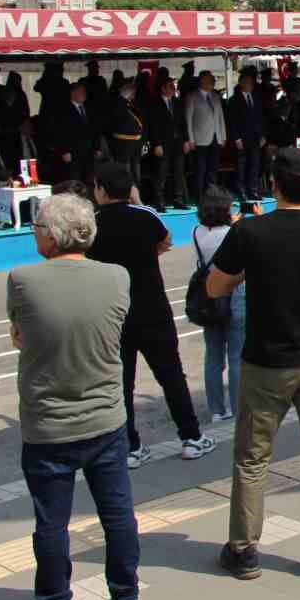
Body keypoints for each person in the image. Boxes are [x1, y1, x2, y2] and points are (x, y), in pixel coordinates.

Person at [208, 149, 300, 584]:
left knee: (253, 458)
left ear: (273, 185)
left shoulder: (251, 232)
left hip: (266, 361)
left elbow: (217, 285)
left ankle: (244, 549)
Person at [8, 194, 141, 600]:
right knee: (118, 513)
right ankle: (124, 597)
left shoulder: (24, 279)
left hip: (49, 422)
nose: (34, 233)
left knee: (51, 521)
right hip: (105, 416)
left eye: (38, 227)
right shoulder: (116, 277)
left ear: (51, 234)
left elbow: (20, 336)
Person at [87, 163, 213, 469]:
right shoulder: (145, 215)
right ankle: (191, 438)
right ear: (129, 189)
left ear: (101, 190)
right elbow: (164, 241)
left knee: (121, 382)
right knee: (171, 375)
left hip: (114, 314)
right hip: (152, 308)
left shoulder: (92, 223)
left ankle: (131, 447)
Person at [193, 186, 245, 424]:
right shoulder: (232, 232)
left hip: (207, 295)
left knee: (213, 356)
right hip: (233, 293)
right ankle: (237, 407)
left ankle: (216, 409)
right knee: (236, 355)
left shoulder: (196, 232)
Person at [145, 76, 188, 212]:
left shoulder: (177, 102)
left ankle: (178, 199)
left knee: (179, 171)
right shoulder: (154, 103)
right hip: (163, 143)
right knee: (161, 172)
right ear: (162, 88)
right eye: (170, 86)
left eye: (174, 86)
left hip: (178, 142)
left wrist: (186, 140)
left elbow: (183, 123)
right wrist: (156, 144)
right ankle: (160, 200)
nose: (173, 89)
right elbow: (153, 125)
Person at [184, 71, 227, 199]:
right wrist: (190, 139)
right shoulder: (192, 96)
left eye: (213, 80)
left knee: (213, 169)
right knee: (200, 169)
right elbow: (188, 119)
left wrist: (223, 135)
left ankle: (211, 194)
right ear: (202, 81)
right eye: (210, 80)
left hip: (216, 137)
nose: (213, 82)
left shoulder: (215, 96)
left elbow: (220, 117)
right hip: (200, 138)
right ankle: (199, 195)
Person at [227, 72, 267, 202]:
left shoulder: (256, 98)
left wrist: (262, 135)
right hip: (242, 138)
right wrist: (236, 138)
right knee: (242, 165)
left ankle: (253, 190)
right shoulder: (234, 100)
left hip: (255, 137)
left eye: (252, 83)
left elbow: (260, 118)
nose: (250, 85)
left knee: (254, 164)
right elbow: (232, 121)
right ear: (241, 83)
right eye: (248, 82)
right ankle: (241, 190)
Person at [108, 78, 145, 178]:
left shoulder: (131, 103)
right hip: (123, 145)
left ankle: (136, 190)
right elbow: (117, 118)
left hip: (135, 144)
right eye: (130, 88)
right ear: (123, 89)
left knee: (136, 171)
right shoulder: (117, 102)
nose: (133, 91)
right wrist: (123, 97)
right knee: (125, 173)